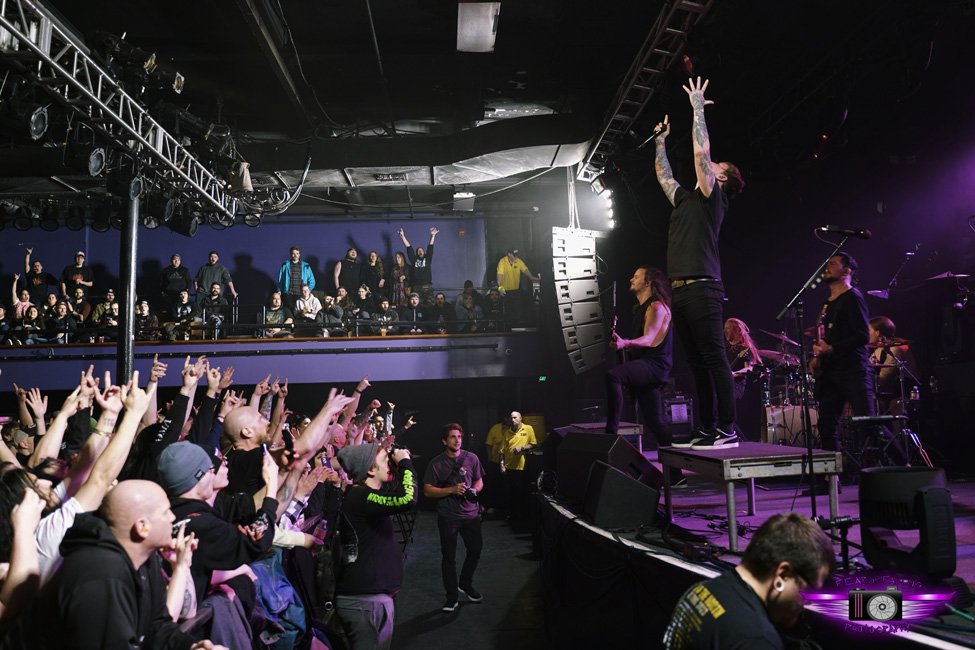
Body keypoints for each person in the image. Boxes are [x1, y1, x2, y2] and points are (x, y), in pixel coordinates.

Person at [3, 479, 224, 650]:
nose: (172, 517)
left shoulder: (143, 559)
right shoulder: (98, 574)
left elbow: (157, 626)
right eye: (166, 511)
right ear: (142, 527)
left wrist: (190, 646)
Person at [653, 77, 745, 450]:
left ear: (722, 177)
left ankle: (727, 427)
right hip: (680, 290)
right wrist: (659, 140)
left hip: (704, 286)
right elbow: (664, 177)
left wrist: (696, 110)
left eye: (716, 165)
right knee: (697, 365)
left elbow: (699, 156)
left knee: (714, 358)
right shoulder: (688, 199)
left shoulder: (714, 198)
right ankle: (706, 429)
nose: (710, 165)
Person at [663, 512, 834, 650]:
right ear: (782, 575)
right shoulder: (756, 638)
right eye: (809, 590)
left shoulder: (700, 590)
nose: (805, 602)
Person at [810, 254, 906, 484]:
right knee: (826, 425)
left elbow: (863, 336)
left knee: (870, 423)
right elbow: (827, 340)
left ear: (847, 271)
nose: (827, 267)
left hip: (854, 370)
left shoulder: (853, 297)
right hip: (832, 372)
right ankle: (830, 481)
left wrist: (832, 348)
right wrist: (818, 357)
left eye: (833, 263)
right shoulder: (828, 304)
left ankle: (906, 468)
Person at [334, 441, 417, 650]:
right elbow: (407, 498)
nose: (389, 462)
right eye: (384, 460)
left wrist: (399, 466)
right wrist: (405, 462)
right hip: (364, 603)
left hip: (368, 601)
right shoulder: (360, 497)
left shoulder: (364, 496)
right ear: (370, 470)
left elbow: (397, 490)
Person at [607, 267, 687, 483]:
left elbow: (650, 339)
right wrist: (623, 344)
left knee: (613, 376)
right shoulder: (641, 308)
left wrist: (626, 342)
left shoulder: (656, 306)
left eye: (636, 276)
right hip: (646, 365)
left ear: (648, 282)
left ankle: (609, 435)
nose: (630, 278)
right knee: (656, 423)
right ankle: (677, 476)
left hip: (654, 365)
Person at [423, 423, 485, 612]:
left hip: (471, 514)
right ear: (444, 441)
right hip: (448, 516)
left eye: (459, 437)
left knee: (475, 550)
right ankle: (452, 598)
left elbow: (479, 479)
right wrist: (451, 490)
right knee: (448, 557)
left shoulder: (471, 458)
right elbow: (427, 491)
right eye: (452, 437)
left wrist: (475, 489)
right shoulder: (436, 463)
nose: (457, 440)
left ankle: (465, 583)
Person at [725, 318, 762, 439]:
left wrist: (734, 373)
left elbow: (749, 368)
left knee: (726, 415)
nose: (724, 331)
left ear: (737, 331)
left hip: (737, 386)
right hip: (725, 384)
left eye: (727, 329)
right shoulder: (726, 347)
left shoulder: (745, 348)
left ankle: (743, 441)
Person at [498, 411, 536, 520]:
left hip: (522, 467)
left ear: (520, 418)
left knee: (522, 492)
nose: (513, 420)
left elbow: (533, 444)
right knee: (510, 493)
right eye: (511, 418)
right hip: (509, 468)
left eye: (515, 418)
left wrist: (522, 448)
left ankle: (523, 515)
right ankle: (512, 514)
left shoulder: (528, 429)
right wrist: (501, 465)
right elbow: (502, 451)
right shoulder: (507, 433)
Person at [496, 248, 538, 322]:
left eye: (517, 256)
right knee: (507, 313)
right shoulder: (502, 261)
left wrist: (531, 277)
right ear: (509, 254)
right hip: (505, 292)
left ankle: (516, 326)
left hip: (516, 291)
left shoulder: (518, 261)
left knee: (517, 312)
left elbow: (525, 269)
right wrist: (500, 289)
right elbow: (499, 275)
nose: (516, 257)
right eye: (514, 255)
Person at [398, 227, 438, 305]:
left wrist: (433, 236)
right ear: (416, 253)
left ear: (424, 252)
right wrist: (403, 237)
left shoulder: (428, 258)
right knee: (418, 306)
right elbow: (409, 247)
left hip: (427, 285)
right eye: (418, 251)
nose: (420, 252)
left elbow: (430, 246)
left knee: (430, 306)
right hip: (416, 286)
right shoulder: (414, 259)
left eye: (422, 250)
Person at [278, 245, 315, 311]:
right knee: (289, 312)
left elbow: (312, 280)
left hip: (300, 293)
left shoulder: (305, 266)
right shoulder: (285, 265)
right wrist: (279, 290)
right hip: (288, 293)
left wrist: (308, 290)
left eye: (297, 253)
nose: (295, 255)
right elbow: (280, 279)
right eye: (293, 253)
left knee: (300, 312)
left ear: (299, 254)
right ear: (290, 254)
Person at [159, 253, 193, 318]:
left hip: (180, 295)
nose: (176, 261)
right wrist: (162, 292)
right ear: (171, 261)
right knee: (169, 312)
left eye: (178, 260)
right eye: (175, 260)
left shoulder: (185, 270)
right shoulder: (165, 271)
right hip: (168, 295)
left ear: (180, 261)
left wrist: (187, 291)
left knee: (181, 312)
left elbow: (189, 281)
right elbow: (161, 282)